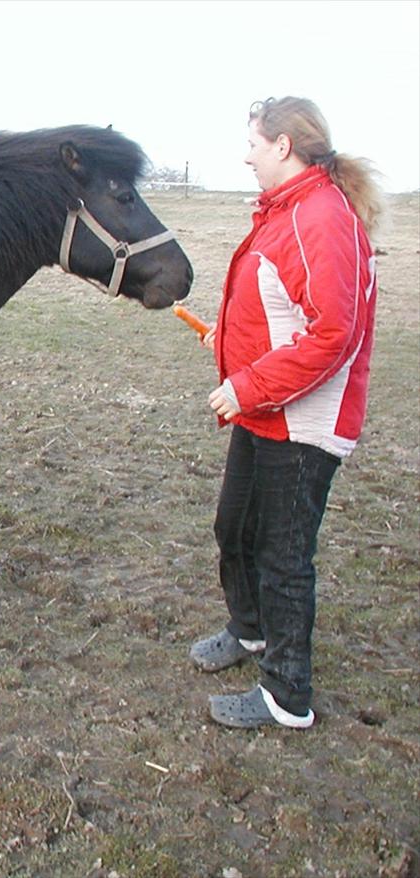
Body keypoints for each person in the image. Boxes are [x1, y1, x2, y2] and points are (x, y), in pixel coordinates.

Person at [189, 96, 385, 729]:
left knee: (282, 554)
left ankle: (287, 695)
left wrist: (246, 385)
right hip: (266, 410)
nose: (245, 153)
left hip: (300, 422)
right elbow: (281, 314)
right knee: (235, 530)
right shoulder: (287, 211)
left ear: (282, 146)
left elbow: (333, 333)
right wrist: (227, 344)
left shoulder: (319, 217)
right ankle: (249, 633)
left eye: (253, 141)